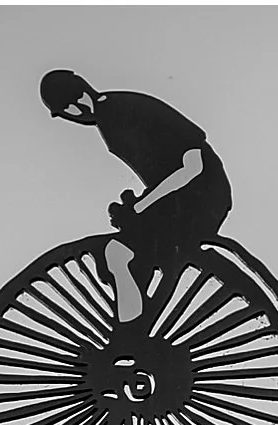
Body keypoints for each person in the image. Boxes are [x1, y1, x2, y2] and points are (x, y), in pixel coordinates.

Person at [39, 71, 232, 331]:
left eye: (66, 114)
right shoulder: (112, 115)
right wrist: (140, 205)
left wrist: (142, 206)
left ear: (76, 105)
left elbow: (192, 167)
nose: (72, 119)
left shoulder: (122, 112)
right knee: (120, 251)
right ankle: (133, 330)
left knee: (120, 253)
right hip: (182, 198)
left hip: (202, 199)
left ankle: (133, 334)